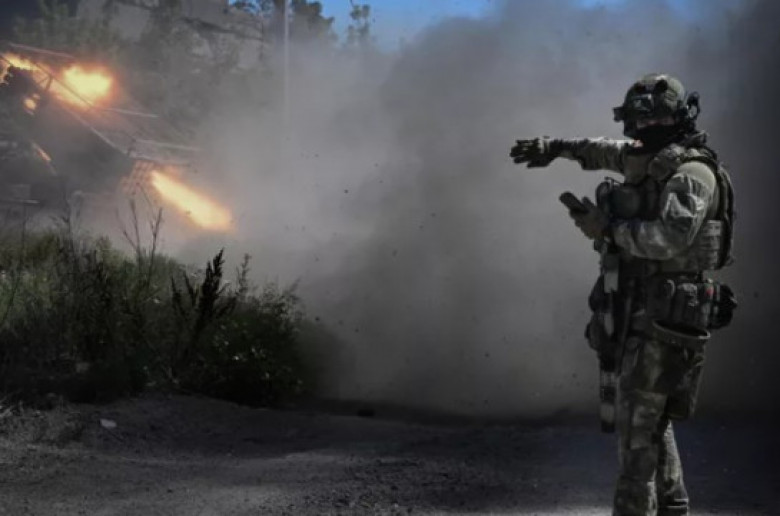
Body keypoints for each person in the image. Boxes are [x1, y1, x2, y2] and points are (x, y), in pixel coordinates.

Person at [510, 73, 737, 516]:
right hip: (641, 307)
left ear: (677, 120)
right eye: (639, 123)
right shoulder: (647, 160)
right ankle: (674, 505)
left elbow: (667, 240)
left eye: (655, 122)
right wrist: (554, 148)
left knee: (637, 432)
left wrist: (607, 229)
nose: (645, 130)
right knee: (649, 421)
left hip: (667, 318)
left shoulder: (692, 173)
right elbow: (600, 150)